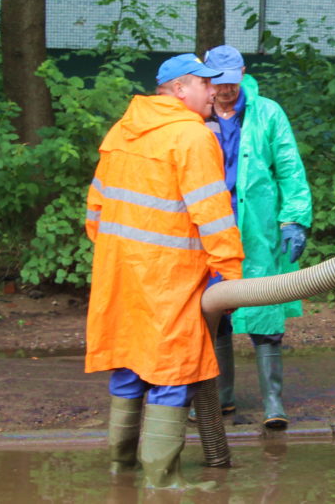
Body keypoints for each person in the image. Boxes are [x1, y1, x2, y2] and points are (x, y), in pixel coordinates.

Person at [84, 53, 244, 488]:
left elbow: (95, 211)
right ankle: (162, 479)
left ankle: (122, 467)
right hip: (170, 279)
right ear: (179, 89)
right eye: (205, 84)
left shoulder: (123, 129)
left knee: (129, 364)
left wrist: (125, 254)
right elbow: (213, 213)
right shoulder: (191, 137)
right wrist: (230, 272)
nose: (214, 91)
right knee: (170, 370)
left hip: (121, 274)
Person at [200, 44, 313, 430]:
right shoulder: (196, 116)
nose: (226, 90)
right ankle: (221, 401)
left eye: (232, 81)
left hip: (257, 230)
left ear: (243, 73)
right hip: (211, 230)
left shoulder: (267, 113)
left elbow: (289, 169)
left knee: (265, 312)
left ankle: (273, 404)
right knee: (216, 314)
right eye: (218, 82)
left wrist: (294, 219)